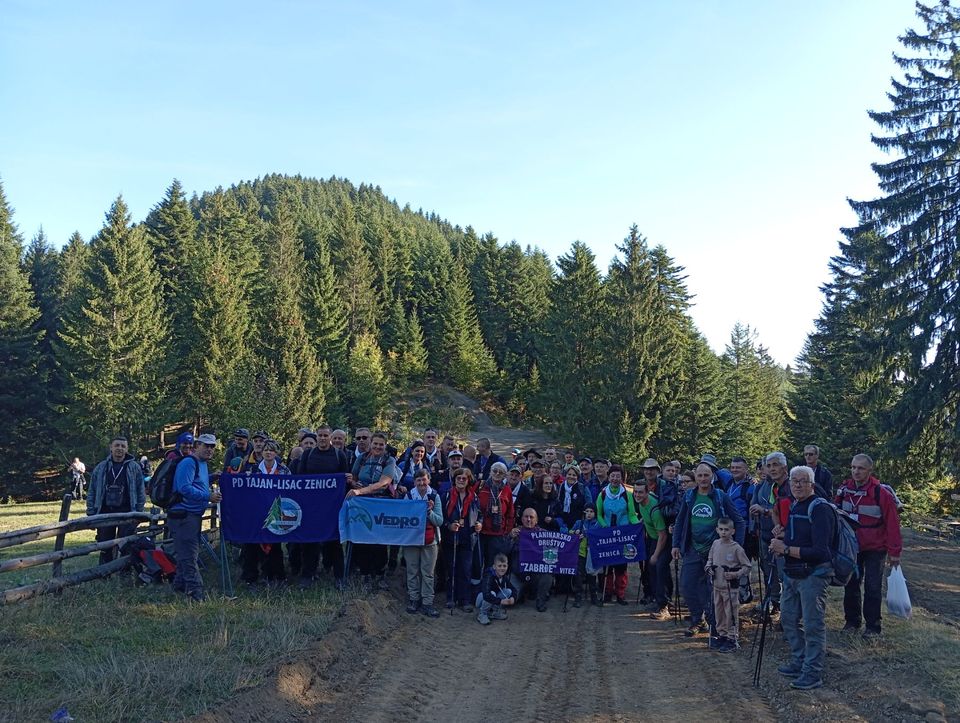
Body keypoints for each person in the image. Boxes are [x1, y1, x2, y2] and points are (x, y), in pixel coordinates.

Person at [770, 465, 835, 689]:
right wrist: (783, 537)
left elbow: (821, 552)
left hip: (813, 575)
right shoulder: (796, 504)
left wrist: (786, 549)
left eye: (802, 481)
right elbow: (799, 536)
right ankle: (799, 660)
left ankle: (812, 672)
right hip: (792, 573)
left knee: (812, 625)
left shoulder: (820, 509)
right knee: (788, 619)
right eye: (794, 481)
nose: (797, 485)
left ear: (812, 484)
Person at [672, 462, 745, 641]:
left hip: (716, 551)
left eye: (706, 475)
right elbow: (680, 521)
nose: (703, 479)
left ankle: (716, 625)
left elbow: (739, 521)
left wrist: (736, 548)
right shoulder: (689, 496)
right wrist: (675, 544)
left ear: (712, 476)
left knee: (716, 590)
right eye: (700, 475)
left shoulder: (720, 496)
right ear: (695, 477)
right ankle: (698, 620)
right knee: (687, 585)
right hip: (693, 548)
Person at [835, 453, 903, 638]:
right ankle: (852, 622)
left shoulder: (881, 493)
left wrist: (895, 551)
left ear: (869, 470)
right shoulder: (844, 490)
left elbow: (892, 523)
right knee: (850, 584)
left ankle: (873, 627)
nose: (856, 471)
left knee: (872, 587)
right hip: (851, 547)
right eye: (853, 467)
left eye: (861, 468)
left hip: (875, 548)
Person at [289, 427, 350, 589]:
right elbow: (300, 480)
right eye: (320, 435)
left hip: (332, 507)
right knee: (310, 541)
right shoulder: (308, 455)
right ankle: (307, 574)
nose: (322, 438)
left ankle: (339, 576)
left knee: (335, 541)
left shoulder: (339, 455)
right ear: (316, 437)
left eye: (325, 435)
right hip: (311, 506)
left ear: (330, 437)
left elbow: (344, 480)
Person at [169, 433, 222, 602]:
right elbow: (184, 488)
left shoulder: (202, 464)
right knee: (189, 555)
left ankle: (179, 586)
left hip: (193, 514)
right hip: (183, 515)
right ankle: (196, 593)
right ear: (197, 445)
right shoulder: (189, 463)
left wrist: (213, 477)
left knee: (186, 553)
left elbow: (198, 483)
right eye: (206, 445)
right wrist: (208, 496)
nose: (209, 449)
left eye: (212, 446)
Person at [348, 431, 398, 588]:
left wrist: (360, 491)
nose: (377, 447)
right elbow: (354, 476)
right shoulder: (362, 458)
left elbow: (384, 483)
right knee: (363, 539)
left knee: (379, 540)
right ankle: (364, 573)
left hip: (380, 504)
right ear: (371, 444)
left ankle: (379, 573)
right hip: (362, 504)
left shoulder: (389, 460)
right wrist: (353, 484)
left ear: (385, 445)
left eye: (381, 444)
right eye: (375, 443)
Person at [87, 437, 146, 564]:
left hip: (128, 512)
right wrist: (91, 512)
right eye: (117, 445)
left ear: (127, 449)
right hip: (105, 512)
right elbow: (92, 490)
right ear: (111, 447)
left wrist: (139, 512)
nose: (120, 448)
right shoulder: (101, 467)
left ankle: (125, 571)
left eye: (123, 446)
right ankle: (104, 571)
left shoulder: (134, 467)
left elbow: (140, 491)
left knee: (126, 545)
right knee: (105, 545)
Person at [241, 439, 290, 588]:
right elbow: (245, 489)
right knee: (253, 544)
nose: (268, 452)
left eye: (271, 450)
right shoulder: (253, 469)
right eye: (266, 450)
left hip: (276, 510)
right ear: (261, 452)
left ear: (276, 453)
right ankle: (251, 577)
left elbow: (292, 489)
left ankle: (277, 575)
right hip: (256, 512)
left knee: (275, 545)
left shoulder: (284, 470)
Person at [403, 469, 444, 618]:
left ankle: (427, 602)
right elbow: (404, 517)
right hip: (412, 539)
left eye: (424, 480)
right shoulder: (408, 496)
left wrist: (429, 512)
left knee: (428, 573)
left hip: (430, 540)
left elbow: (439, 521)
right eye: (418, 480)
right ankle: (414, 599)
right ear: (414, 482)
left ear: (429, 480)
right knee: (412, 570)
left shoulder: (435, 496)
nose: (421, 483)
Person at [595, 465, 639, 605]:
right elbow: (599, 514)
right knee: (607, 566)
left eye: (618, 476)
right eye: (612, 476)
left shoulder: (627, 495)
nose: (615, 479)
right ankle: (607, 592)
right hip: (607, 535)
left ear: (622, 478)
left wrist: (637, 525)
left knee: (621, 565)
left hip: (623, 535)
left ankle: (620, 593)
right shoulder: (602, 494)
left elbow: (632, 515)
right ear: (609, 477)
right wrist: (605, 527)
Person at [706, 518, 751, 653]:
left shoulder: (736, 548)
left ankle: (732, 638)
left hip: (730, 587)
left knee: (730, 612)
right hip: (717, 585)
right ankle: (722, 635)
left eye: (726, 530)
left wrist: (735, 574)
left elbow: (747, 566)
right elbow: (710, 559)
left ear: (733, 531)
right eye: (721, 529)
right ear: (717, 530)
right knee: (719, 612)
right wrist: (708, 568)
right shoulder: (715, 544)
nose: (723, 532)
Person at [441, 467, 482, 611]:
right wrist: (448, 525)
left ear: (468, 480)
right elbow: (441, 517)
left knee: (466, 570)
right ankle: (451, 598)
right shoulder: (447, 495)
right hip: (451, 538)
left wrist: (479, 524)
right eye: (458, 478)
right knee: (451, 569)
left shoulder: (474, 497)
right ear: (454, 479)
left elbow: (480, 515)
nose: (461, 480)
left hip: (468, 538)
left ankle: (465, 600)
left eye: (464, 478)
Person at [633, 480, 670, 619]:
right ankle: (657, 600)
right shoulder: (640, 504)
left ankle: (664, 606)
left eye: (640, 492)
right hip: (653, 538)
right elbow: (645, 518)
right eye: (635, 492)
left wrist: (655, 554)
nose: (637, 495)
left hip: (663, 541)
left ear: (647, 492)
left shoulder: (655, 510)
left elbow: (663, 535)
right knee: (651, 570)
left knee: (658, 568)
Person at [509, 507, 554, 612]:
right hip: (518, 574)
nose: (528, 519)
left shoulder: (545, 534)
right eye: (526, 517)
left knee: (548, 573)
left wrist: (575, 539)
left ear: (536, 520)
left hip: (536, 575)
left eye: (531, 517)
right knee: (510, 599)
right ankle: (522, 593)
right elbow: (504, 551)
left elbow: (552, 556)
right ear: (522, 519)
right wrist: (510, 537)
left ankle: (540, 600)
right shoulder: (516, 532)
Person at [477, 461, 514, 567]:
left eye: (501, 472)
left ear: (505, 475)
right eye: (495, 471)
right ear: (490, 472)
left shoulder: (507, 490)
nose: (497, 473)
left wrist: (506, 531)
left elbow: (510, 513)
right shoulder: (481, 486)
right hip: (481, 532)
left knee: (492, 564)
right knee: (478, 563)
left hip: (498, 534)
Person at [571, 503, 602, 606]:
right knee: (579, 576)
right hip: (581, 553)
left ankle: (594, 597)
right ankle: (578, 597)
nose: (589, 514)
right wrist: (575, 533)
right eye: (587, 511)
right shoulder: (579, 523)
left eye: (591, 511)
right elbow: (570, 532)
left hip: (592, 554)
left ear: (595, 513)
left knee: (592, 575)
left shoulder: (598, 524)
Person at [476, 553, 515, 625]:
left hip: (492, 598)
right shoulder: (489, 575)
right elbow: (486, 595)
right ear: (494, 566)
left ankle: (494, 612)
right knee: (492, 593)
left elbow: (513, 588)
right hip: (480, 598)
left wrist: (513, 597)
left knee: (508, 591)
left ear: (507, 566)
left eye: (504, 566)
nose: (502, 568)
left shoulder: (503, 576)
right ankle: (482, 614)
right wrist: (501, 601)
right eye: (499, 566)